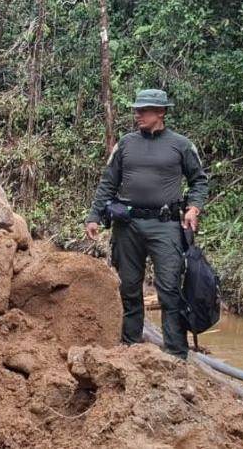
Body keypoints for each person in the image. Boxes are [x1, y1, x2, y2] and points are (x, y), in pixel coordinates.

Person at [85, 89, 210, 358]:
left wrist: (193, 208)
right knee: (129, 286)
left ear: (161, 112)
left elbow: (199, 180)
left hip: (165, 225)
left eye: (144, 110)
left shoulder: (181, 145)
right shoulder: (126, 144)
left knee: (168, 289)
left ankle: (176, 354)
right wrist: (94, 216)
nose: (137, 114)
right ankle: (131, 346)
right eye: (137, 110)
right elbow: (108, 182)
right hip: (127, 226)